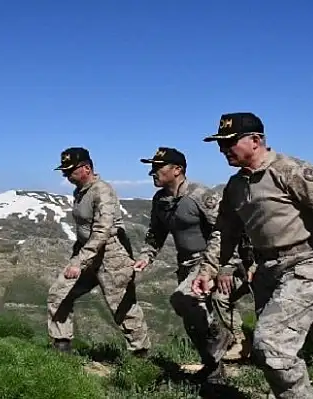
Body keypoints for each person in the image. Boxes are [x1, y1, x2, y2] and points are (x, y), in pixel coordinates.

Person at [191, 112, 313, 398]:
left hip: (306, 264)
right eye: (220, 144)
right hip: (267, 270)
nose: (223, 150)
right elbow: (224, 233)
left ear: (255, 140)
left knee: (272, 344)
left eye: (229, 142)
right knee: (274, 350)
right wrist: (207, 270)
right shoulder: (235, 186)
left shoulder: (289, 170)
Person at [133, 147, 253, 383]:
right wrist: (147, 255)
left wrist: (226, 266)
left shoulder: (200, 195)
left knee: (183, 297)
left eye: (158, 167)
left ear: (177, 170)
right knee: (193, 320)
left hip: (208, 260)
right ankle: (214, 371)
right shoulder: (161, 200)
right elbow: (156, 233)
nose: (152, 173)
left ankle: (223, 339)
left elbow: (226, 231)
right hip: (185, 265)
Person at [46, 147, 151, 357]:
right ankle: (61, 349)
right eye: (64, 172)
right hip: (87, 253)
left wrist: (79, 261)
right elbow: (85, 231)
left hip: (111, 255)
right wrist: (78, 256)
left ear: (86, 168)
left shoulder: (102, 191)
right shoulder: (80, 191)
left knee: (122, 307)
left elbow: (102, 231)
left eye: (70, 171)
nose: (66, 176)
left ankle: (141, 357)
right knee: (59, 293)